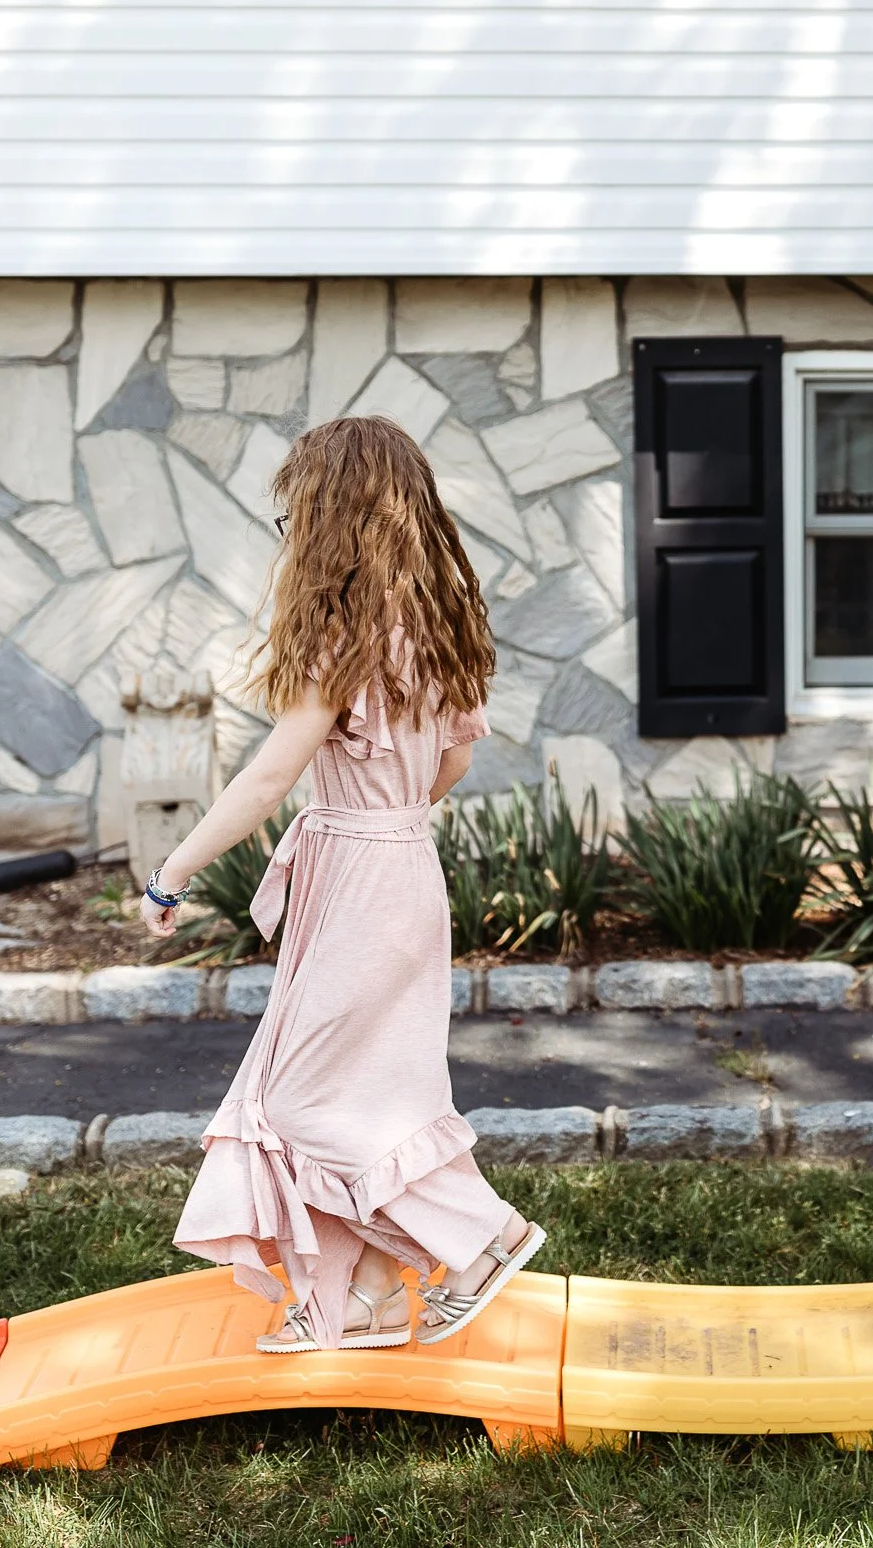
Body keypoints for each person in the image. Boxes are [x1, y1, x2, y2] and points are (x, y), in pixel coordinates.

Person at [140, 414, 544, 1352]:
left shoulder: (344, 639)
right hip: (403, 865)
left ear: (331, 519)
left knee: (302, 1102)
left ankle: (484, 1237)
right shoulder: (435, 630)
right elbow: (452, 768)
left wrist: (171, 874)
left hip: (361, 877)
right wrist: (391, 807)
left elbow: (267, 778)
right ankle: (361, 1296)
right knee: (380, 1093)